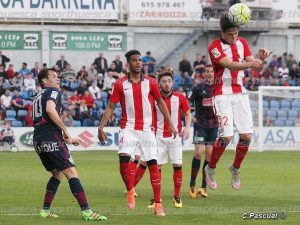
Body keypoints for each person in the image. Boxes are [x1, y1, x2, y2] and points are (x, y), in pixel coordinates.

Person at [98, 50, 177, 216]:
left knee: (153, 165)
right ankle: (129, 190)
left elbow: (160, 102)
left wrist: (170, 123)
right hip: (128, 127)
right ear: (128, 64)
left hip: (147, 129)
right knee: (123, 161)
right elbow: (111, 107)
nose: (139, 63)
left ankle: (158, 204)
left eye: (140, 60)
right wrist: (101, 127)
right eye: (135, 60)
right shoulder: (120, 84)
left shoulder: (151, 82)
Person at [205, 13, 271, 190]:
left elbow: (252, 62)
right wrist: (252, 64)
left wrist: (260, 59)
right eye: (230, 34)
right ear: (222, 32)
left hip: (240, 93)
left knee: (246, 136)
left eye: (236, 32)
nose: (234, 37)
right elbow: (230, 65)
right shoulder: (214, 47)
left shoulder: (243, 42)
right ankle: (210, 168)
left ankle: (235, 168)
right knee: (226, 137)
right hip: (222, 94)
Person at [32, 68, 107, 221]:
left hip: (38, 139)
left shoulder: (37, 96)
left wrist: (62, 138)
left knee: (57, 174)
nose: (57, 78)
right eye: (53, 76)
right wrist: (65, 130)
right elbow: (50, 110)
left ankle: (45, 210)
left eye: (58, 76)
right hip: (51, 135)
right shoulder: (52, 91)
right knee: (71, 173)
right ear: (44, 81)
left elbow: (42, 118)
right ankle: (86, 211)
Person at [151, 71, 191, 208]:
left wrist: (187, 127)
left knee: (177, 165)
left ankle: (177, 196)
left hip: (175, 138)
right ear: (159, 84)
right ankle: (157, 199)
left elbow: (187, 113)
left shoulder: (180, 97)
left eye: (169, 81)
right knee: (157, 167)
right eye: (164, 81)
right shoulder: (154, 99)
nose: (167, 84)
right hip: (158, 137)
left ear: (172, 83)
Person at [187, 65, 218, 198]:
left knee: (209, 155)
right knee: (198, 153)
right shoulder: (197, 88)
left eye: (212, 71)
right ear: (203, 74)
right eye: (207, 72)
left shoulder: (219, 88)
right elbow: (187, 103)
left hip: (214, 125)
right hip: (200, 124)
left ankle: (203, 186)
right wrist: (190, 116)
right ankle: (192, 184)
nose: (210, 74)